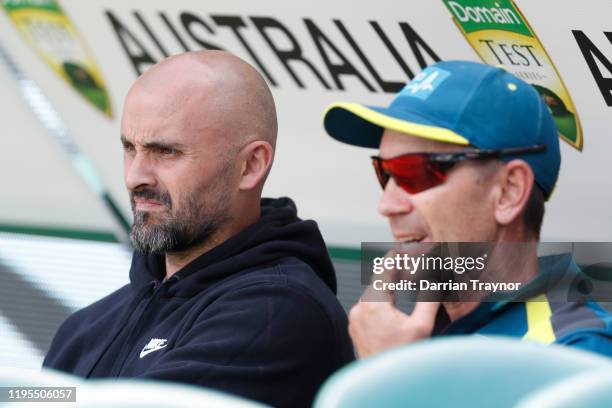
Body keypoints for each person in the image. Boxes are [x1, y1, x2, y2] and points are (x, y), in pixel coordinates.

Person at [43, 50, 354, 407]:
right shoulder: (86, 327)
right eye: (130, 148)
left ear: (251, 165)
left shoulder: (278, 314)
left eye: (166, 152)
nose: (134, 177)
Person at [322, 60, 612, 359]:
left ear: (509, 192)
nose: (387, 205)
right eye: (384, 172)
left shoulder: (579, 353)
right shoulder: (415, 332)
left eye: (415, 172)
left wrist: (382, 373)